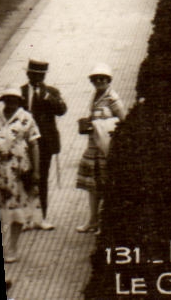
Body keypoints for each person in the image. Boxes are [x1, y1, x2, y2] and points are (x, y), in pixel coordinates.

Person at [76, 64, 126, 234]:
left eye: (102, 78)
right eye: (95, 78)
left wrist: (99, 125)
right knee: (92, 186)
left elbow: (123, 121)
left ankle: (105, 223)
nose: (99, 81)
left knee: (105, 185)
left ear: (108, 80)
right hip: (93, 148)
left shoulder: (113, 98)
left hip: (106, 149)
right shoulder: (96, 96)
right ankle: (93, 220)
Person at [0, 91, 41, 261]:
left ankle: (12, 247)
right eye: (7, 100)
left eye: (14, 100)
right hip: (0, 171)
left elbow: (34, 144)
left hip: (20, 172)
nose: (11, 103)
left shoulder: (26, 118)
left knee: (18, 209)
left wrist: (36, 171)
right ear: (3, 101)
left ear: (19, 101)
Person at [21, 60, 66, 230]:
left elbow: (62, 110)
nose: (37, 78)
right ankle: (26, 218)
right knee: (25, 178)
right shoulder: (21, 92)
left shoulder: (51, 92)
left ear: (44, 76)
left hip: (45, 143)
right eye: (33, 74)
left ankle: (42, 217)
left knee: (42, 179)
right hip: (25, 144)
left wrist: (47, 97)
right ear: (28, 74)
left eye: (41, 75)